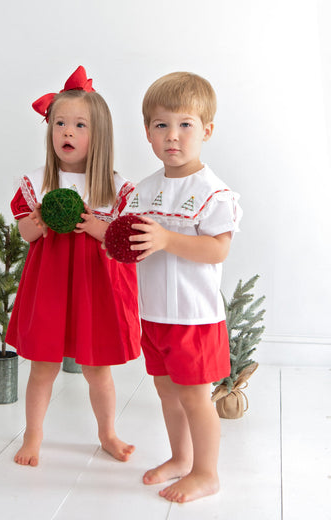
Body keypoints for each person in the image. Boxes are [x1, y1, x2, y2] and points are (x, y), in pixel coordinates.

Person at [6, 66, 141, 467]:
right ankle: (33, 435)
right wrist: (38, 222)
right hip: (49, 285)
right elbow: (25, 235)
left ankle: (107, 433)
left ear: (98, 135)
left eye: (79, 125)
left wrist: (95, 225)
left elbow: (125, 243)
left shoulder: (115, 188)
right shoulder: (38, 183)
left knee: (97, 370)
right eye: (60, 123)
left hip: (93, 287)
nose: (67, 132)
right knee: (42, 367)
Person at [124, 72, 242, 502]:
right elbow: (128, 238)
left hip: (194, 317)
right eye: (161, 125)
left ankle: (206, 472)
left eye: (185, 124)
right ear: (148, 132)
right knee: (165, 390)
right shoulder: (144, 190)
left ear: (206, 130)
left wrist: (169, 239)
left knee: (195, 397)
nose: (172, 136)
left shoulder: (213, 192)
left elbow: (217, 251)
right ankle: (179, 458)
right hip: (154, 312)